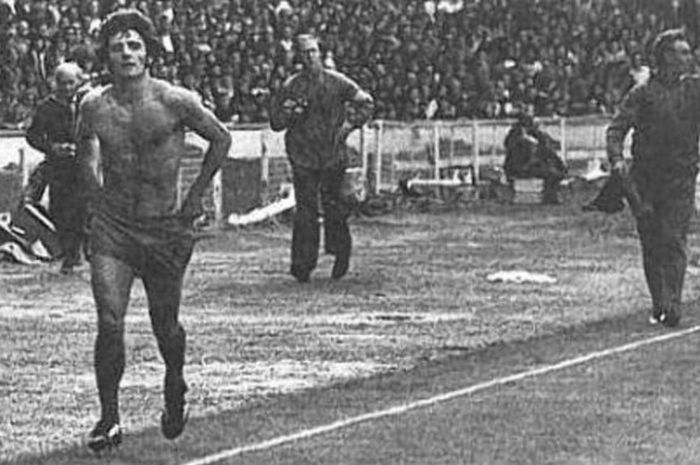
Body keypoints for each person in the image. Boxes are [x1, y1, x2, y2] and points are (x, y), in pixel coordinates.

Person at [75, 9, 232, 451]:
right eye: (116, 47)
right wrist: (94, 192)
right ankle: (109, 418)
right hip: (114, 229)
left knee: (166, 324)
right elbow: (84, 147)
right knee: (109, 320)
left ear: (147, 54)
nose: (125, 53)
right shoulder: (93, 105)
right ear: (105, 56)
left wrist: (196, 195)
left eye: (133, 46)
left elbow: (221, 138)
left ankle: (175, 384)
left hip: (165, 228)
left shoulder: (174, 100)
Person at [606, 28, 700, 328]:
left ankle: (672, 303)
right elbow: (616, 129)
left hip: (680, 179)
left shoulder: (694, 90)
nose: (688, 57)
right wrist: (617, 160)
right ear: (664, 57)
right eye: (681, 52)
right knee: (651, 241)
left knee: (673, 238)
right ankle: (659, 302)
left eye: (689, 52)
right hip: (645, 180)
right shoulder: (642, 94)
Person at [269, 34, 374, 283]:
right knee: (305, 211)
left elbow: (366, 102)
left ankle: (340, 253)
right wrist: (291, 113)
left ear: (320, 53)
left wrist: (350, 125)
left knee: (334, 207)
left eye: (313, 51)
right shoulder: (291, 85)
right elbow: (276, 122)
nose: (309, 57)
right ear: (297, 57)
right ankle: (302, 265)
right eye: (304, 53)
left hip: (332, 154)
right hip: (303, 154)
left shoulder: (337, 82)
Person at [24, 61, 86, 273]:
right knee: (61, 210)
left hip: (85, 164)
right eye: (62, 83)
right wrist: (52, 147)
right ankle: (68, 254)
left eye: (71, 83)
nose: (67, 88)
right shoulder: (46, 107)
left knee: (86, 208)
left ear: (79, 82)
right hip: (59, 168)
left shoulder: (86, 104)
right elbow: (32, 135)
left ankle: (84, 252)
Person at [503, 112, 567, 204]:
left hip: (528, 165)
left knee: (554, 172)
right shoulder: (516, 136)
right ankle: (549, 197)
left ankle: (551, 196)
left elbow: (547, 149)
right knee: (552, 173)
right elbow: (523, 155)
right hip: (519, 167)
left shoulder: (533, 135)